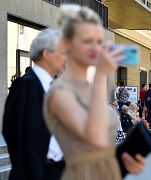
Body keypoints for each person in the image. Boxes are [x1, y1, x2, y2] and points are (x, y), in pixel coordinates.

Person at [43, 4, 144, 180]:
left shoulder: (87, 88)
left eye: (99, 41)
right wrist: (100, 76)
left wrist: (123, 162)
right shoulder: (60, 92)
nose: (96, 49)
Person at [2, 28, 65, 180]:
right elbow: (12, 131)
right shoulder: (26, 85)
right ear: (47, 54)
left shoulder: (52, 87)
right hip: (37, 173)